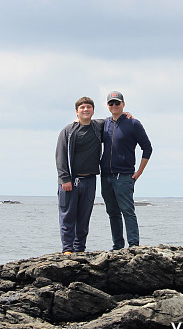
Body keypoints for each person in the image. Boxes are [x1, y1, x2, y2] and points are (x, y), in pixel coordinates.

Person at [100, 91, 152, 249]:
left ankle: (133, 245)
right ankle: (117, 245)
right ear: (107, 105)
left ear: (123, 104)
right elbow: (86, 122)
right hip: (106, 176)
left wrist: (139, 172)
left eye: (117, 103)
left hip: (124, 176)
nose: (114, 106)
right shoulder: (105, 124)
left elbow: (147, 148)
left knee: (127, 211)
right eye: (111, 103)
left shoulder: (133, 124)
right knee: (112, 212)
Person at [55, 97, 104, 254]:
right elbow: (60, 156)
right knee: (68, 217)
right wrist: (64, 179)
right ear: (77, 111)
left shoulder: (98, 126)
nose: (85, 109)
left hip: (89, 180)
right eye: (82, 107)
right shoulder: (68, 131)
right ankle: (67, 249)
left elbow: (114, 120)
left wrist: (126, 114)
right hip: (70, 181)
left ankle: (80, 249)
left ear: (93, 111)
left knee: (84, 218)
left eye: (89, 107)